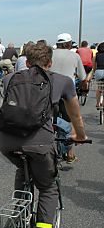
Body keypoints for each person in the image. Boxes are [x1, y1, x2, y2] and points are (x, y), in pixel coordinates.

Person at [0, 42, 87, 228]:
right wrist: (79, 135)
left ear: (27, 62)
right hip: (39, 144)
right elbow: (75, 116)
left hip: (6, 142)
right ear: (50, 63)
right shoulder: (63, 81)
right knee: (47, 187)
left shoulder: (9, 79)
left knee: (23, 167)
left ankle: (19, 212)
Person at [50, 33, 86, 163]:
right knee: (69, 123)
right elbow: (82, 77)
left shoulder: (50, 54)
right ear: (68, 44)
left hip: (51, 93)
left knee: (48, 120)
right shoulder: (75, 56)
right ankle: (70, 154)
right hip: (66, 94)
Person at [91, 42, 104, 107]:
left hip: (99, 72)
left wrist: (94, 73)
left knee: (98, 88)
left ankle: (97, 103)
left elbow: (93, 67)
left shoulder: (96, 55)